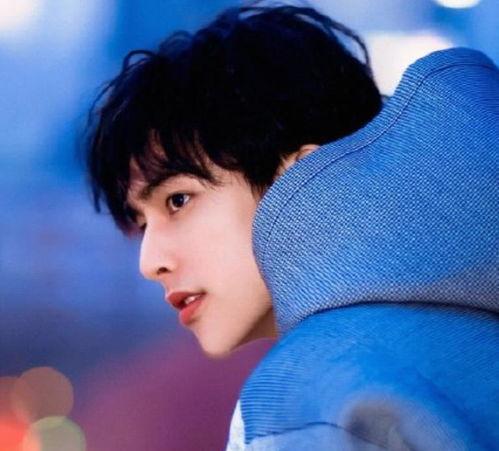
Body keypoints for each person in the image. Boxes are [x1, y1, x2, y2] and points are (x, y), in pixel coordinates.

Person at [85, 4, 499, 450]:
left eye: (178, 200)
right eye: (142, 223)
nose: (150, 263)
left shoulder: (308, 395)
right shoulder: (466, 338)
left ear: (302, 173)